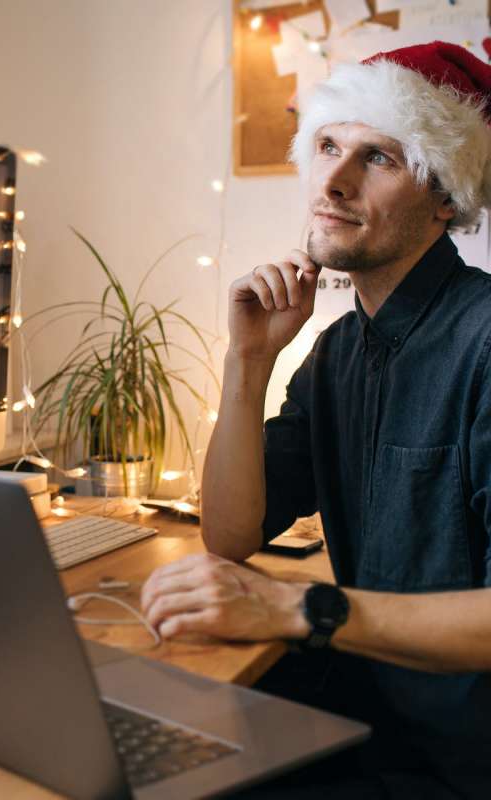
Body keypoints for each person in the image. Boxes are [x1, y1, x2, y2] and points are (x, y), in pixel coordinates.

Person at [140, 42, 491, 798]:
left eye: (379, 158)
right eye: (328, 145)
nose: (330, 181)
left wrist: (297, 605)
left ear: (445, 198)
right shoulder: (337, 350)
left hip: (456, 762)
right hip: (368, 714)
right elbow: (232, 534)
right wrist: (248, 363)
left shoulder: (485, 340)